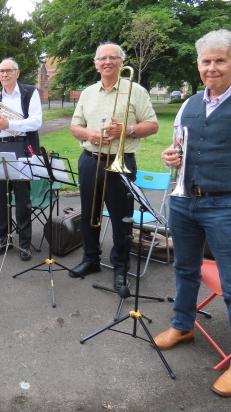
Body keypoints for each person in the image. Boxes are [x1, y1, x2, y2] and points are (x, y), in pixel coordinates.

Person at [154, 29, 231, 397]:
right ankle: (183, 325)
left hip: (228, 206)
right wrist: (169, 156)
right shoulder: (189, 103)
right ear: (198, 64)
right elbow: (178, 146)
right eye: (206, 61)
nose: (212, 68)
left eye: (219, 60)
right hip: (185, 201)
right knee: (184, 268)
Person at [69, 42, 159, 290]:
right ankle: (91, 260)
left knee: (122, 219)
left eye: (113, 58)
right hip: (90, 161)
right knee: (89, 215)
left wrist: (126, 130)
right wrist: (89, 134)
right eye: (102, 58)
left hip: (121, 163)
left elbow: (152, 125)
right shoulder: (87, 93)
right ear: (96, 64)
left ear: (121, 62)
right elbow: (75, 126)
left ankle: (120, 269)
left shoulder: (136, 90)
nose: (107, 62)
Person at [0, 58, 42, 261]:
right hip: (0, 145)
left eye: (9, 70)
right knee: (0, 197)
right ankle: (3, 238)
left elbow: (36, 121)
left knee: (23, 198)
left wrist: (10, 123)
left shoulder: (30, 92)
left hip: (22, 146)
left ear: (17, 73)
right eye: (1, 71)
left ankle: (25, 243)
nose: (4, 74)